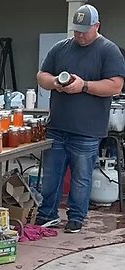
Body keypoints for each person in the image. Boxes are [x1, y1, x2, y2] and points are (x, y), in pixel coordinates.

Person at [36, 4, 125, 233]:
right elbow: (41, 76)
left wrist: (83, 85)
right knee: (51, 176)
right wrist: (55, 82)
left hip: (87, 130)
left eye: (85, 30)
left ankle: (76, 217)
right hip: (56, 126)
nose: (80, 35)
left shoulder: (108, 50)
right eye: (76, 30)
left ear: (97, 26)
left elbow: (115, 85)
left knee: (81, 178)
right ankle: (47, 214)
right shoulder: (60, 48)